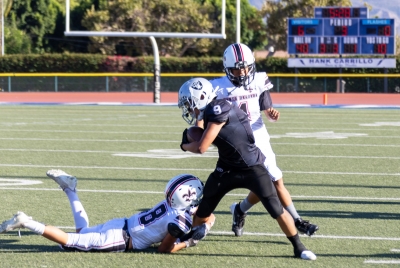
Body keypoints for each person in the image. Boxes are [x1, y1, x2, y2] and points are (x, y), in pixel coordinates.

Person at [178, 77, 316, 260]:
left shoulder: (218, 108)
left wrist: (184, 145)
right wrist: (190, 134)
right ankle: (192, 235)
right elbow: (198, 129)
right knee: (205, 206)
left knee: (275, 208)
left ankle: (299, 247)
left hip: (251, 166)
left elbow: (202, 147)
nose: (188, 108)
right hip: (227, 166)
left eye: (189, 103)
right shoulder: (212, 108)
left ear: (201, 97)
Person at [209, 43, 319, 237]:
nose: (242, 72)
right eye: (237, 68)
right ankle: (238, 210)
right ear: (227, 68)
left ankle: (297, 220)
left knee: (275, 179)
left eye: (245, 67)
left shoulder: (259, 80)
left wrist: (272, 114)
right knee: (261, 182)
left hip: (257, 134)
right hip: (236, 140)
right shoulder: (218, 87)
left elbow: (267, 109)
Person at [0, 169, 215, 253]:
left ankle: (70, 189)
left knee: (81, 231)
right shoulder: (181, 221)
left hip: (120, 224)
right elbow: (164, 250)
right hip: (121, 239)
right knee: (70, 242)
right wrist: (189, 242)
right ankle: (26, 221)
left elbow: (198, 214)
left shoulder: (171, 202)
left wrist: (204, 223)